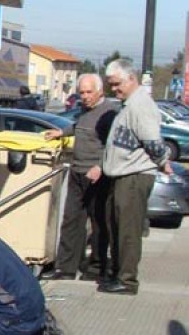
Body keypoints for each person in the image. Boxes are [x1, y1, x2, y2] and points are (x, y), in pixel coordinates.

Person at [99, 59, 173, 295]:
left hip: (133, 176)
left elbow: (152, 141)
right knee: (116, 226)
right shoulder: (130, 104)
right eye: (111, 84)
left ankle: (127, 280)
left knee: (128, 229)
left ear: (132, 78)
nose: (114, 89)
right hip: (122, 175)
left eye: (117, 84)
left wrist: (163, 162)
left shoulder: (140, 105)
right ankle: (119, 273)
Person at [42, 73, 117, 282]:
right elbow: (79, 127)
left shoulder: (109, 114)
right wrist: (61, 133)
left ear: (100, 91)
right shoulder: (84, 111)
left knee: (99, 224)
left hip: (97, 176)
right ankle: (65, 268)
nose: (84, 96)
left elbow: (114, 145)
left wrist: (100, 167)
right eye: (82, 92)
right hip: (77, 172)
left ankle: (97, 267)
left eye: (89, 92)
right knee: (71, 221)